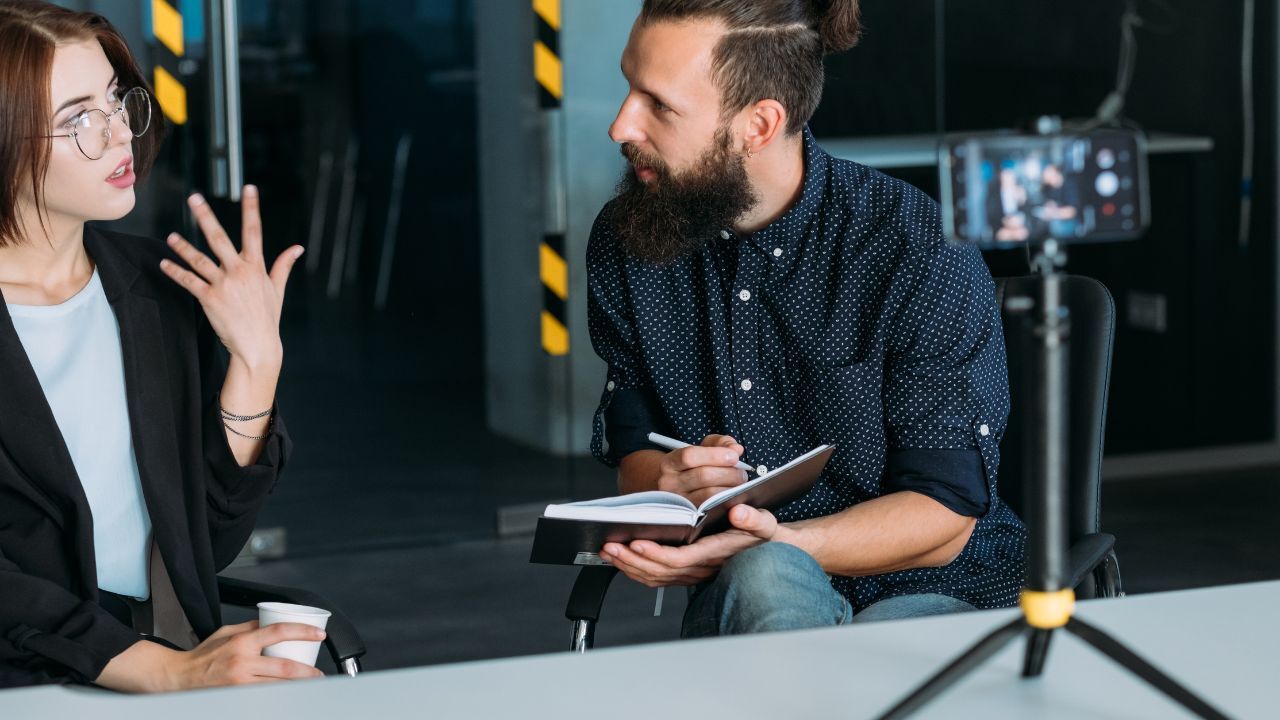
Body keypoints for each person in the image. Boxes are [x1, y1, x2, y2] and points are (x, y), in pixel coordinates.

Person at [587, 0, 1027, 638]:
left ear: (759, 124)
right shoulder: (628, 240)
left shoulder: (914, 245)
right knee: (765, 579)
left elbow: (945, 513)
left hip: (934, 588)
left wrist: (773, 543)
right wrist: (671, 483)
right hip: (747, 595)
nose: (621, 125)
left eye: (659, 104)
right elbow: (634, 448)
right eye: (629, 87)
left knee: (775, 577)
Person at [0, 1, 320, 690]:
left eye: (117, 101)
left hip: (174, 660)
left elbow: (203, 543)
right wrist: (164, 671)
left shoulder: (160, 287)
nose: (121, 132)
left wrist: (257, 364)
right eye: (79, 118)